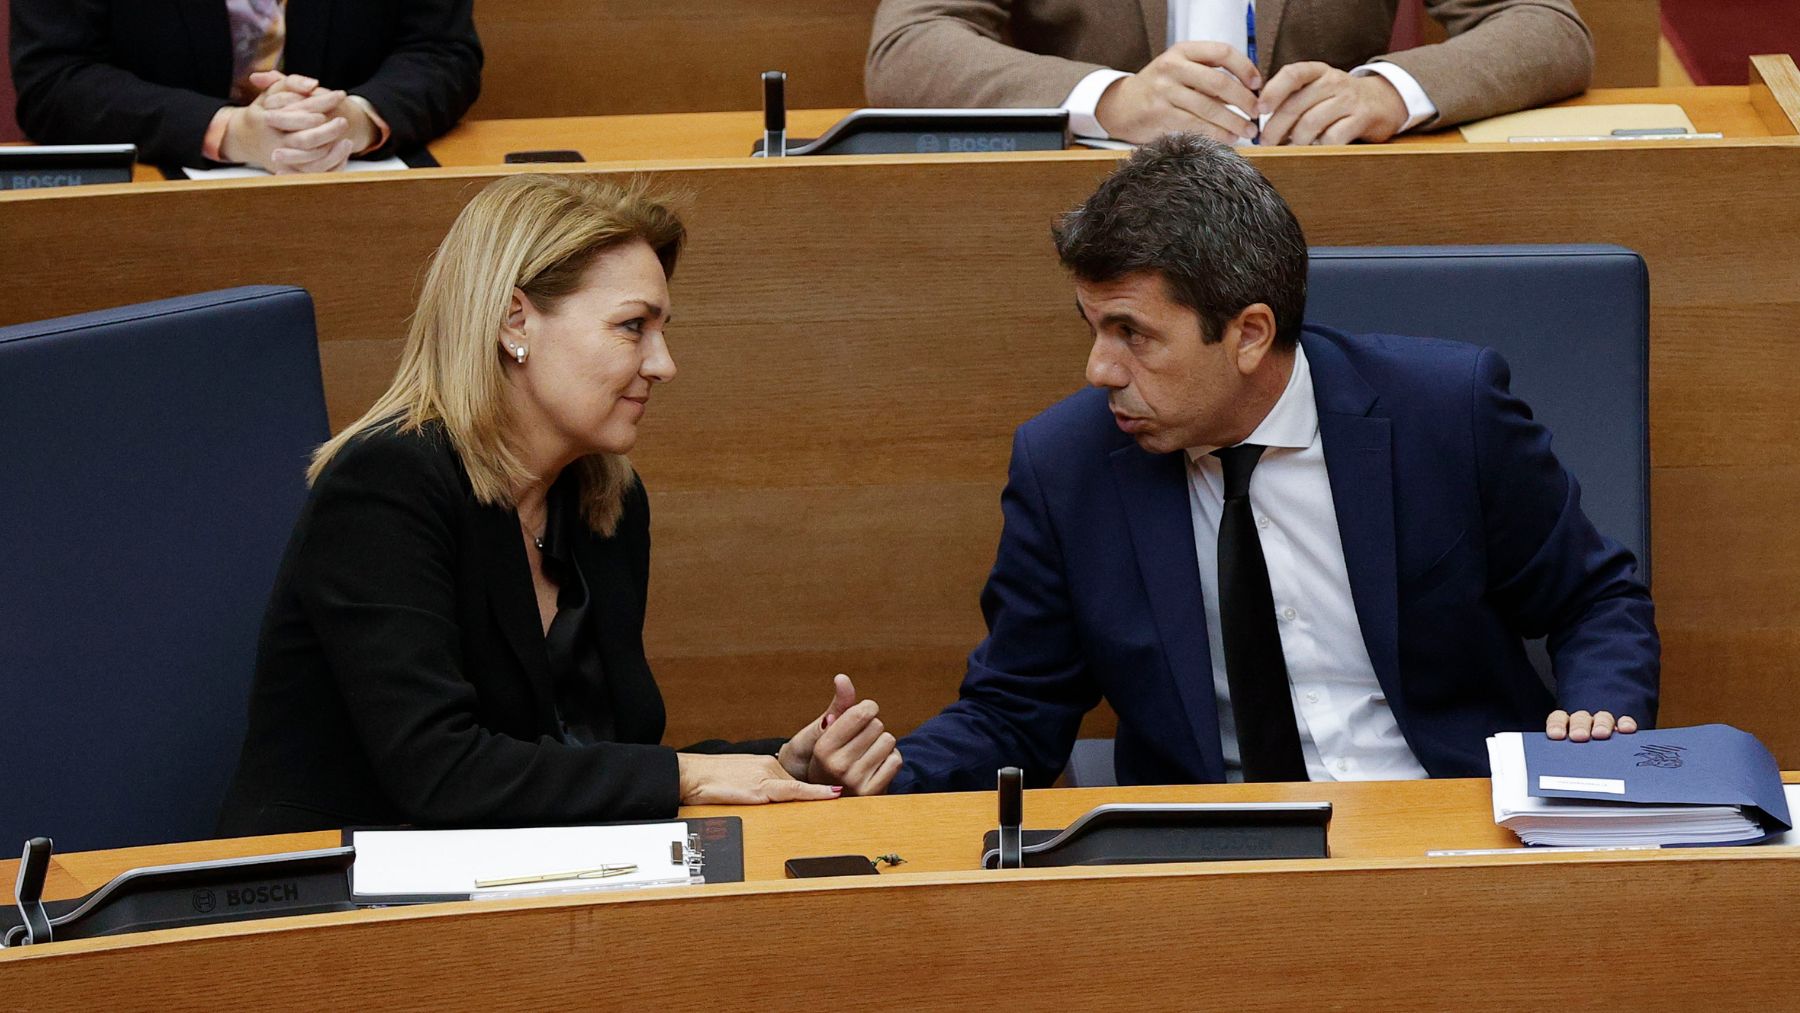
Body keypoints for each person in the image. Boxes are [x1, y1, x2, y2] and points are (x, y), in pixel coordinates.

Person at [888, 134, 1658, 792]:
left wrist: (1601, 718)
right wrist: (879, 777)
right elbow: (1014, 711)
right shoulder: (1069, 465)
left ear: (1250, 333)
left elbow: (1593, 597)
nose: (1100, 370)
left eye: (1133, 334)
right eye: (1092, 328)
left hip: (1448, 820)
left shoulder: (1445, 411)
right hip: (1216, 864)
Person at [218, 174, 901, 835]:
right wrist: (693, 776)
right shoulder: (386, 486)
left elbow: (593, 756)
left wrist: (784, 763)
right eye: (633, 327)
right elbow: (440, 772)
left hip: (512, 883)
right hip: (322, 901)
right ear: (516, 320)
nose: (664, 364)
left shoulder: (606, 501)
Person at [866, 0, 1593, 145]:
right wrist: (1110, 101)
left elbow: (1544, 26)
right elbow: (912, 43)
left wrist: (1385, 94)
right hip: (1087, 219)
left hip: (1330, 212)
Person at [10, 0, 482, 171]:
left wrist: (353, 120)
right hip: (154, 206)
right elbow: (54, 79)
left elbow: (444, 51)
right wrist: (229, 131)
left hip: (353, 188)